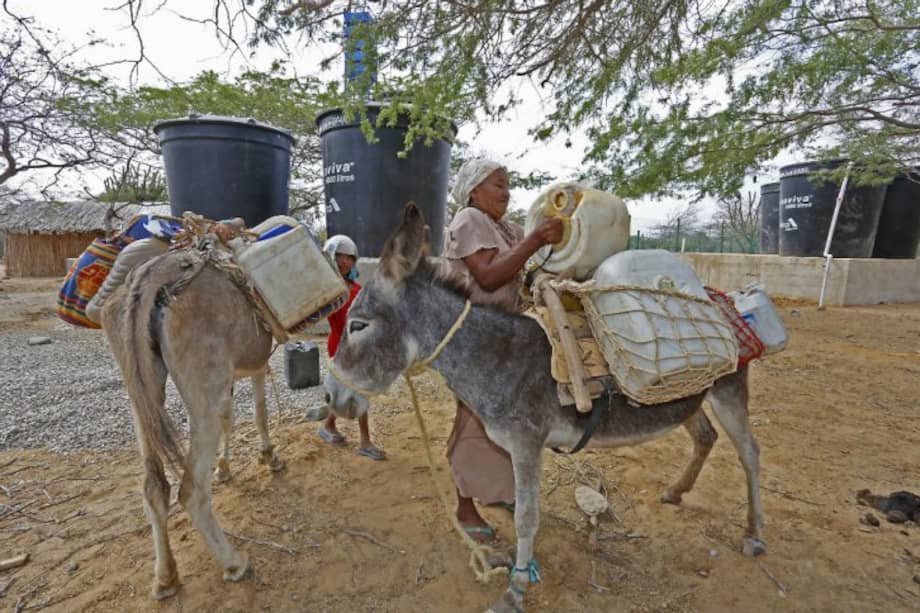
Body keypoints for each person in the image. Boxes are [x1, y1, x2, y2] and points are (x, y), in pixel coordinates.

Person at [444, 159, 564, 542]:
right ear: (474, 190)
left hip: (503, 339)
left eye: (508, 184)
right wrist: (536, 241)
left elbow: (523, 268)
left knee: (507, 422)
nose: (506, 191)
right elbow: (490, 275)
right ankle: (464, 508)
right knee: (473, 424)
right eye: (498, 184)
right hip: (474, 341)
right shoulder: (468, 221)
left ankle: (503, 491)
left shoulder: (505, 228)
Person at [315, 234, 387, 461]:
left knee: (348, 391)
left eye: (349, 257)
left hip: (357, 346)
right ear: (330, 257)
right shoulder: (329, 289)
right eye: (339, 256)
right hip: (342, 346)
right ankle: (365, 442)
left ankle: (328, 426)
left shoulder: (355, 287)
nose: (345, 261)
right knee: (359, 391)